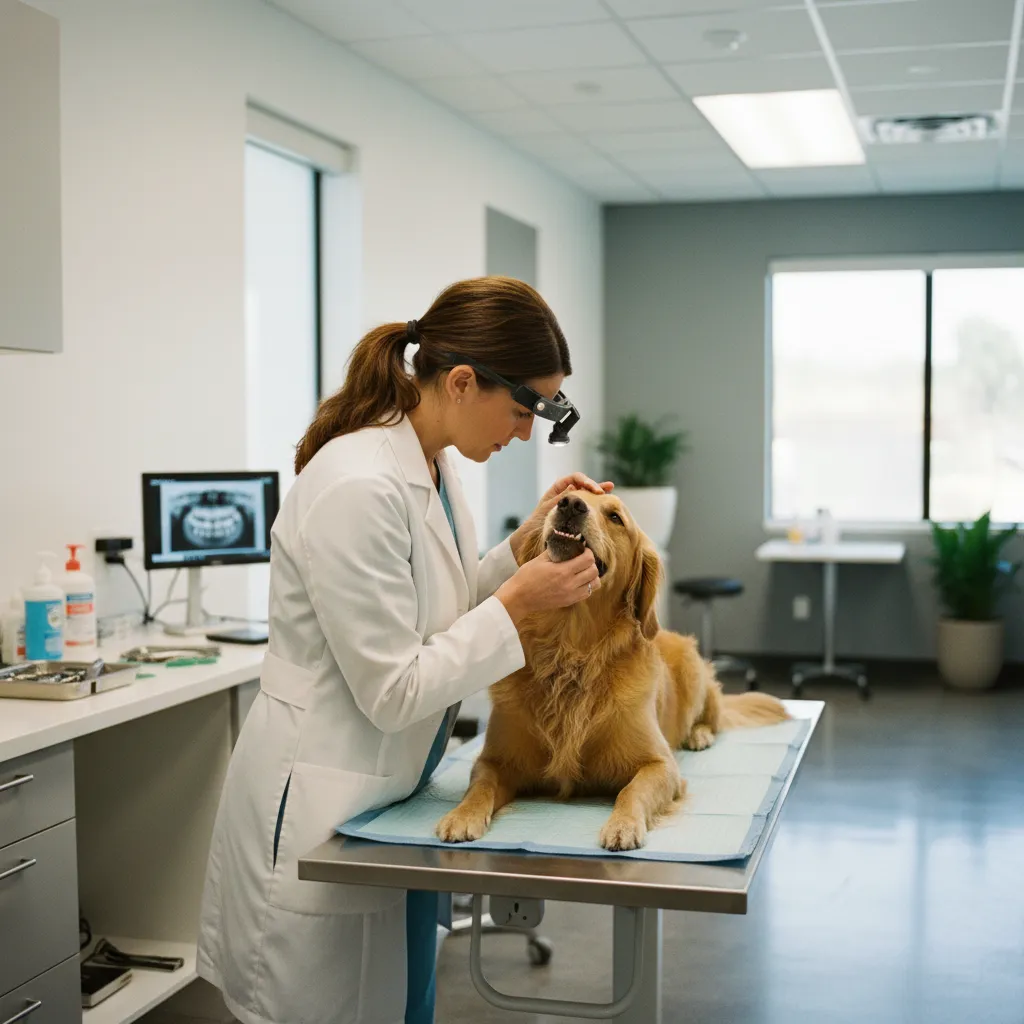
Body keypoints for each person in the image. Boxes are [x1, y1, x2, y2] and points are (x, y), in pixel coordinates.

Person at [197, 276, 610, 1024]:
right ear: (460, 381)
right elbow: (393, 687)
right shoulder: (359, 485)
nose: (524, 433)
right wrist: (519, 606)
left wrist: (530, 546)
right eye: (523, 409)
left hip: (388, 801)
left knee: (399, 1000)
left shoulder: (432, 464)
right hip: (324, 807)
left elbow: (442, 607)